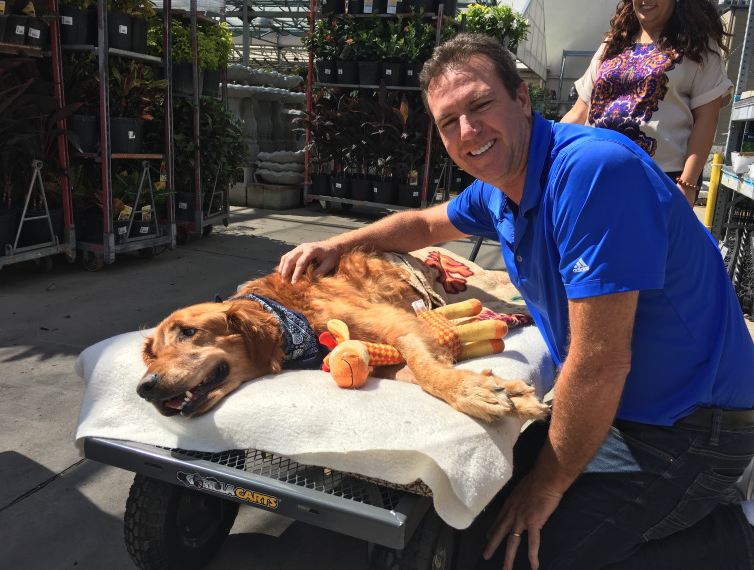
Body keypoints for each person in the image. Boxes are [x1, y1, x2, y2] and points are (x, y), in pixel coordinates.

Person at [279, 33, 754, 569]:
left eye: (481, 105)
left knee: (528, 554)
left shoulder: (591, 174)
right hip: (621, 411)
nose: (468, 131)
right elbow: (424, 224)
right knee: (474, 522)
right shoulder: (501, 186)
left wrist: (545, 488)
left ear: (523, 100)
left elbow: (599, 363)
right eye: (448, 121)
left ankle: (730, 540)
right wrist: (336, 244)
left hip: (691, 427)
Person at [560, 0, 733, 207]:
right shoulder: (612, 44)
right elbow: (579, 113)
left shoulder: (696, 46)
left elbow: (707, 118)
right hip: (593, 177)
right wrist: (546, 155)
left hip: (656, 183)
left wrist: (687, 184)